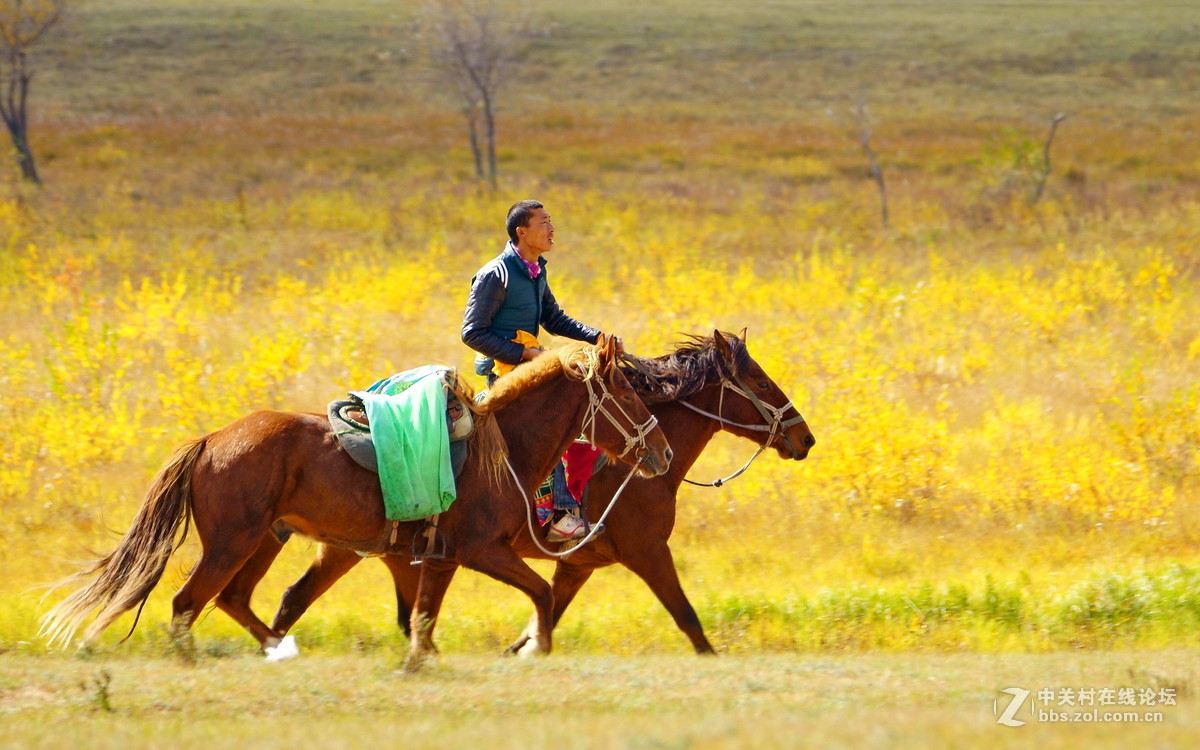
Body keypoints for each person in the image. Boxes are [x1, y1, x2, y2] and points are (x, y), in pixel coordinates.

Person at [461, 199, 612, 542]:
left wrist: (597, 337)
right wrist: (523, 352)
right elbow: (472, 332)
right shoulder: (494, 274)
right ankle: (558, 515)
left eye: (550, 221)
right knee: (550, 427)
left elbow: (553, 318)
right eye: (543, 222)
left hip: (531, 370)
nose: (551, 228)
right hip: (506, 377)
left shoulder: (536, 270)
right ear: (522, 232)